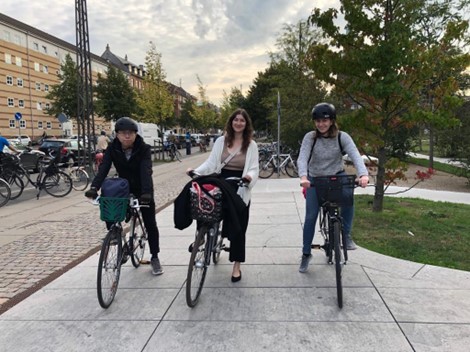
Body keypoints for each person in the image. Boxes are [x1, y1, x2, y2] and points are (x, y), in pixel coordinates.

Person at [186, 108, 259, 282]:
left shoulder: (251, 145)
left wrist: (249, 177)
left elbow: (254, 167)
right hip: (220, 180)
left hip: (239, 184)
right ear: (231, 122)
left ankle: (236, 265)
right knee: (204, 204)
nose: (238, 123)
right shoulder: (221, 141)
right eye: (236, 120)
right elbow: (211, 162)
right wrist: (196, 171)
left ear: (246, 124)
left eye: (242, 120)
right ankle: (201, 236)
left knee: (239, 227)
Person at [85, 117, 163, 275]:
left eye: (130, 133)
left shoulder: (143, 148)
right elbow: (104, 168)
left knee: (150, 223)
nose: (127, 136)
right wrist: (94, 187)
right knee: (110, 205)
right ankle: (116, 235)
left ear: (135, 134)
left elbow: (145, 170)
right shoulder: (112, 149)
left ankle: (155, 257)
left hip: (143, 188)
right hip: (123, 188)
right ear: (117, 135)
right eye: (123, 133)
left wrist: (146, 192)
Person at [297, 103, 369, 273]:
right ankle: (306, 253)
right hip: (316, 179)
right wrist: (303, 177)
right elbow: (302, 158)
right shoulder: (310, 138)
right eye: (318, 121)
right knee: (311, 216)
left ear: (332, 121)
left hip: (337, 175)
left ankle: (346, 235)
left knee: (348, 195)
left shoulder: (341, 137)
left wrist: (363, 174)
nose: (321, 124)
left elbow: (355, 155)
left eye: (325, 120)